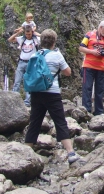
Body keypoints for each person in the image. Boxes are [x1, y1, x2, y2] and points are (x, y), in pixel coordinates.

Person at [24, 29, 79, 164]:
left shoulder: (34, 55)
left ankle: (25, 153)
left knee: (34, 123)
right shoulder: (56, 56)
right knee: (60, 121)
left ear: (41, 42)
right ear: (54, 42)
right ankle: (70, 152)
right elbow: (68, 72)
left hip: (36, 93)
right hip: (52, 93)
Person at [79, 21, 104, 115]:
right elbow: (81, 48)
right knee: (87, 88)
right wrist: (92, 52)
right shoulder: (89, 35)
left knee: (100, 90)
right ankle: (86, 111)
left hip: (101, 67)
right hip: (88, 66)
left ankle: (99, 112)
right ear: (101, 27)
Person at [8, 24, 40, 107]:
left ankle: (27, 102)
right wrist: (18, 33)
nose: (28, 35)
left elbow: (45, 38)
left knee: (28, 82)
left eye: (29, 34)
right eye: (26, 34)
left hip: (31, 63)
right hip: (21, 62)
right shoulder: (21, 39)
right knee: (17, 81)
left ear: (31, 33)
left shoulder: (36, 39)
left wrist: (36, 33)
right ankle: (14, 99)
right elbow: (10, 39)